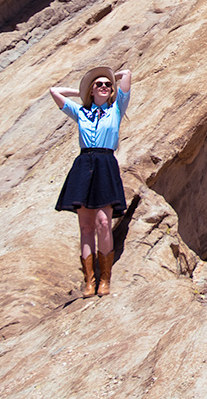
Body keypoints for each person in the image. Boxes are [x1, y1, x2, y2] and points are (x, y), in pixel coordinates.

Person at [48, 65, 132, 296]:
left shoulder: (116, 109)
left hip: (105, 163)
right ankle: (89, 281)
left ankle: (105, 279)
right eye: (99, 85)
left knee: (103, 223)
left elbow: (126, 75)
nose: (104, 87)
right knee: (85, 226)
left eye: (107, 85)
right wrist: (82, 89)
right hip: (84, 165)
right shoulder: (81, 112)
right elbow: (55, 91)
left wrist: (110, 77)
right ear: (92, 91)